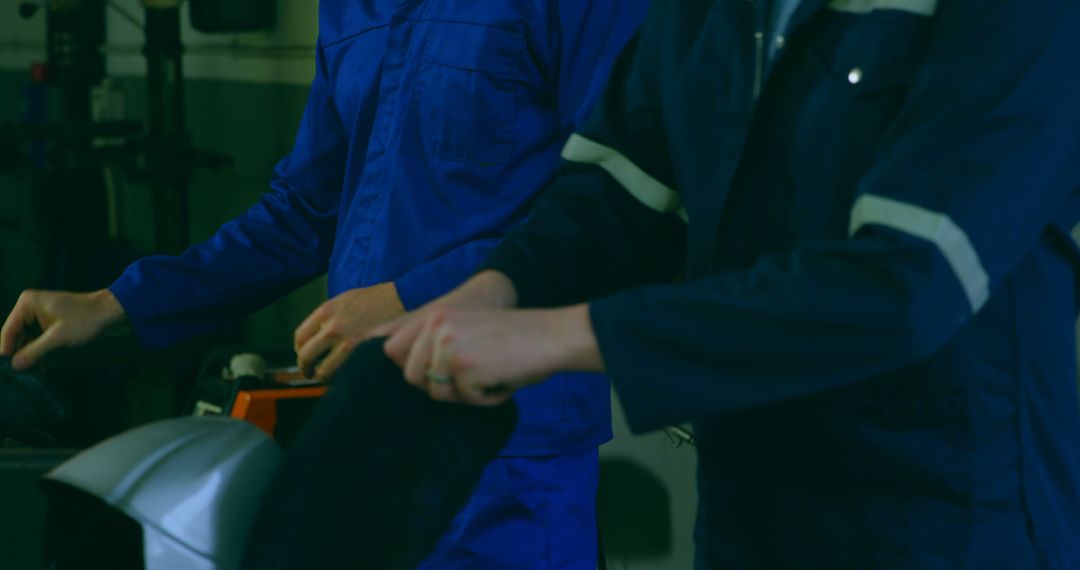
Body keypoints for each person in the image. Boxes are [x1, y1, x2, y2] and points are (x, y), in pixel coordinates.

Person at [374, 0, 1080, 567]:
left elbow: (905, 286)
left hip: (944, 521)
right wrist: (498, 288)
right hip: (750, 512)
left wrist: (565, 335)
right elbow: (613, 192)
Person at [0, 0, 649, 566]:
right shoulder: (354, 5)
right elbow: (304, 212)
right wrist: (118, 303)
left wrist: (408, 299)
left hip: (506, 441)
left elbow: (610, 206)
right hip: (364, 422)